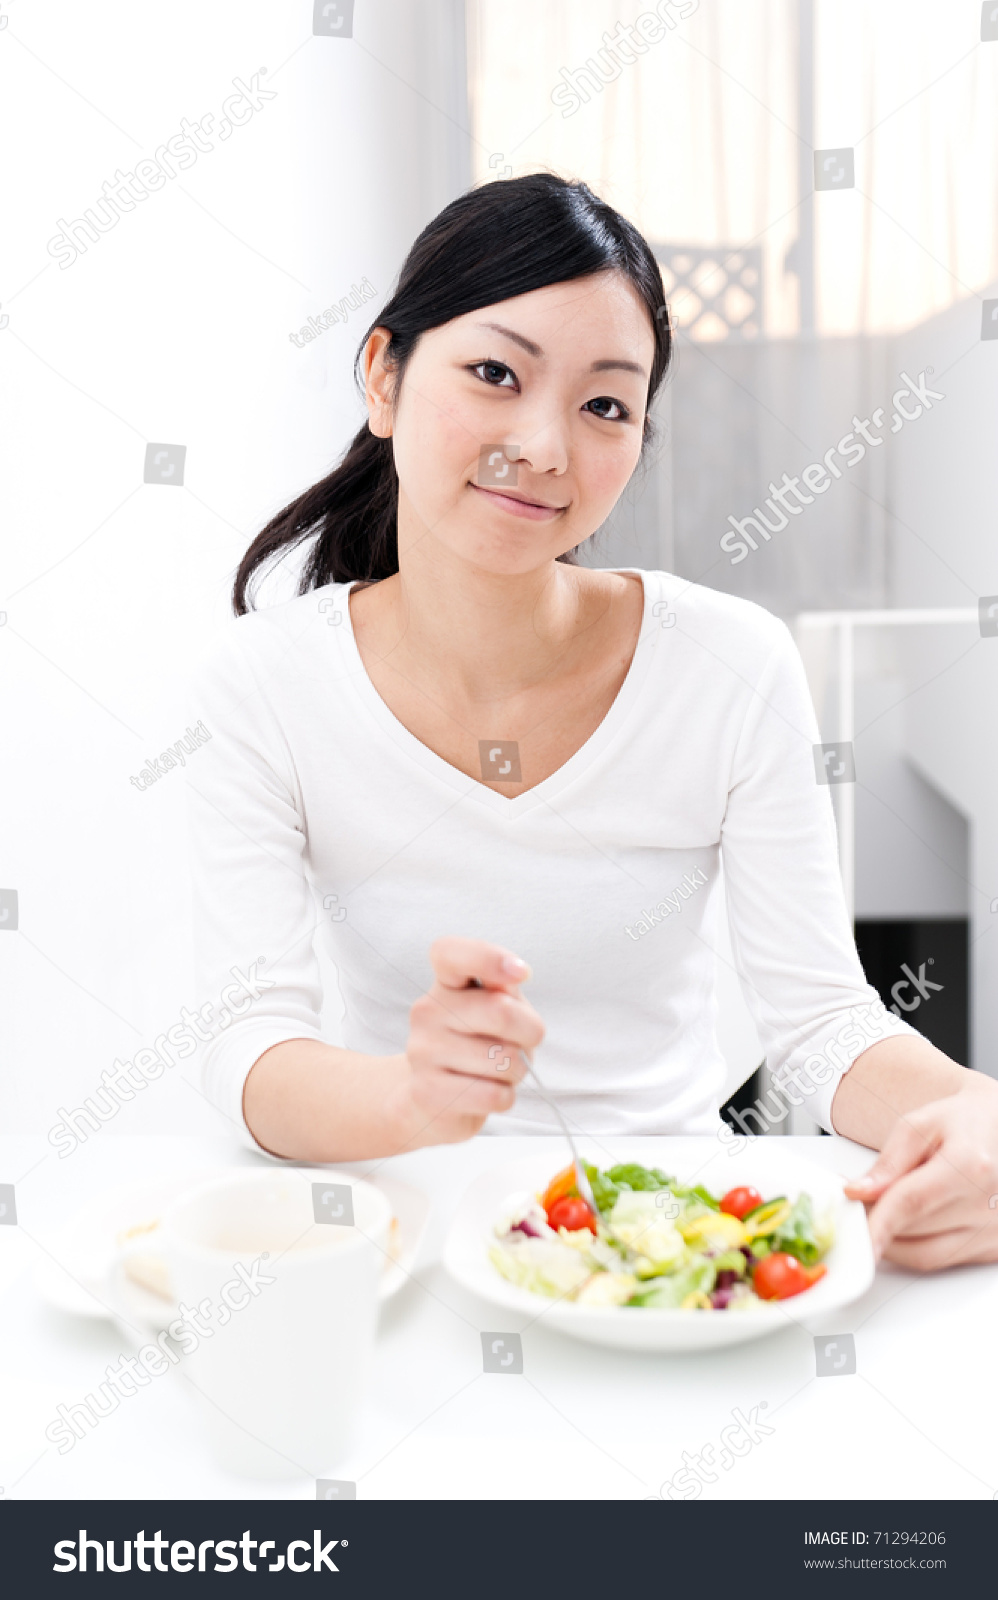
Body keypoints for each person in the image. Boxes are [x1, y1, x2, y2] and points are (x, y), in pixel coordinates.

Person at [186, 173, 998, 1273]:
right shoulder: (264, 682)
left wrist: (970, 1106)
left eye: (604, 404)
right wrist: (409, 1096)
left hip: (667, 1231)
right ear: (382, 376)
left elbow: (817, 1025)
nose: (546, 444)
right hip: (407, 1237)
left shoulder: (729, 663)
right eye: (493, 372)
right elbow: (251, 1048)